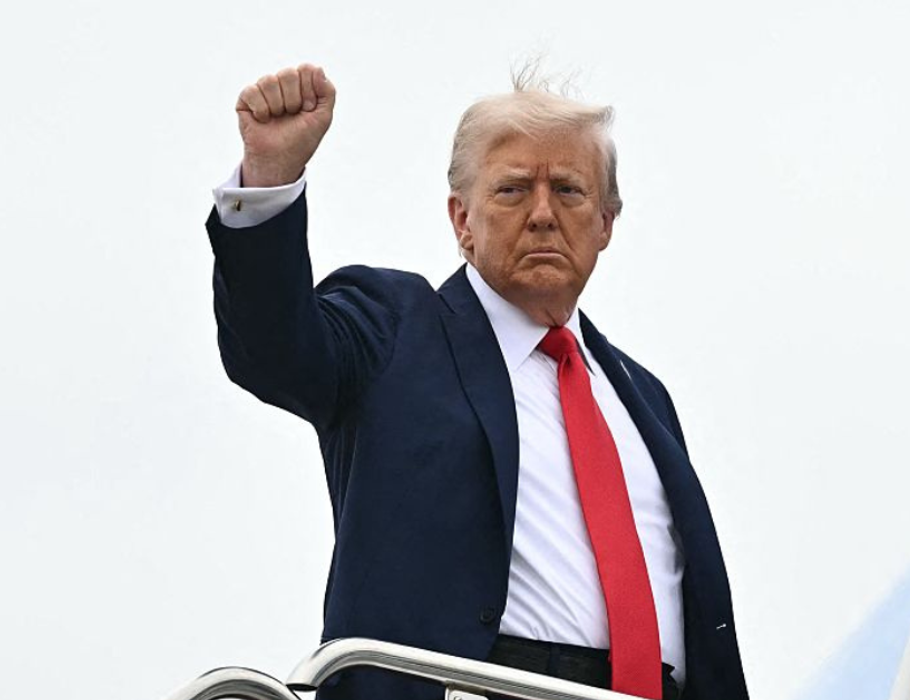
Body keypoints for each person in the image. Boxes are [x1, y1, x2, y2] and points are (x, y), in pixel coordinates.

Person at [205, 63, 749, 700]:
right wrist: (270, 179)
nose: (543, 214)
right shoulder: (394, 329)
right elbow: (273, 350)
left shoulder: (642, 396)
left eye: (569, 191)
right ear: (462, 219)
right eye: (514, 190)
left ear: (605, 223)